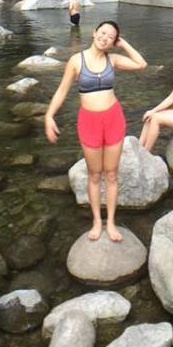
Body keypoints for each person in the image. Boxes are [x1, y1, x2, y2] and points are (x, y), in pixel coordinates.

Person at [44, 20, 146, 242]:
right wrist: (49, 115)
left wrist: (124, 44)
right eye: (102, 33)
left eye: (110, 36)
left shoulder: (113, 59)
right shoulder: (76, 61)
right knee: (94, 174)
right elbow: (62, 90)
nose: (105, 37)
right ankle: (96, 222)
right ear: (94, 33)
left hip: (113, 118)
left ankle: (110, 222)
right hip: (89, 121)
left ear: (113, 41)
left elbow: (141, 64)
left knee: (111, 174)